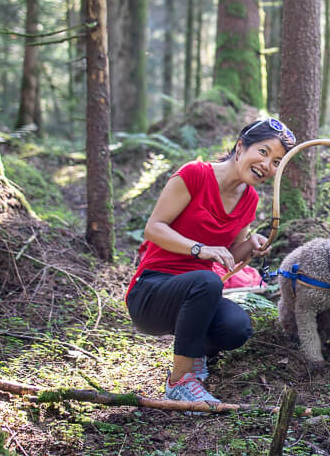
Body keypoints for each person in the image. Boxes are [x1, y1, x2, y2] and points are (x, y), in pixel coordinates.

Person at [125, 117, 296, 404]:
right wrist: (198, 249)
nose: (267, 165)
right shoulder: (195, 174)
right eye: (263, 152)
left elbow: (227, 255)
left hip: (199, 294)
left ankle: (195, 354)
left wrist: (249, 245)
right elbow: (154, 228)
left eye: (277, 161)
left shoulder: (249, 200)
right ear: (240, 147)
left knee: (236, 327)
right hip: (152, 290)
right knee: (206, 281)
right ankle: (179, 380)